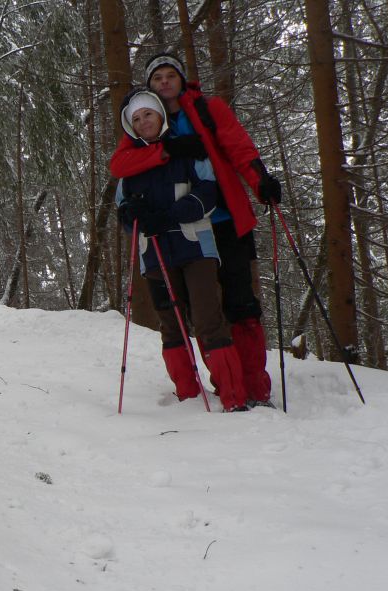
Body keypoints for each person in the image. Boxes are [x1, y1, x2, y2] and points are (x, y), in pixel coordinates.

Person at [110, 53, 281, 407]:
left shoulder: (207, 109)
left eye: (171, 75)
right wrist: (165, 151)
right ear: (150, 88)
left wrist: (260, 180)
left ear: (182, 78)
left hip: (224, 219)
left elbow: (238, 146)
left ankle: (252, 387)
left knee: (240, 304)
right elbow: (120, 166)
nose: (165, 82)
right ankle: (222, 386)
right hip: (180, 234)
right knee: (196, 312)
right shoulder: (145, 121)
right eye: (157, 78)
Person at [117, 89, 248, 412]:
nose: (143, 121)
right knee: (171, 324)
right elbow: (123, 210)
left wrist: (173, 214)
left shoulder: (187, 153)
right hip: (154, 252)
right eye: (136, 118)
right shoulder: (130, 168)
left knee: (207, 319)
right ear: (130, 126)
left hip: (195, 246)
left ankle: (232, 397)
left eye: (148, 114)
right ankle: (188, 396)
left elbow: (208, 192)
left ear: (160, 115)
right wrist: (134, 216)